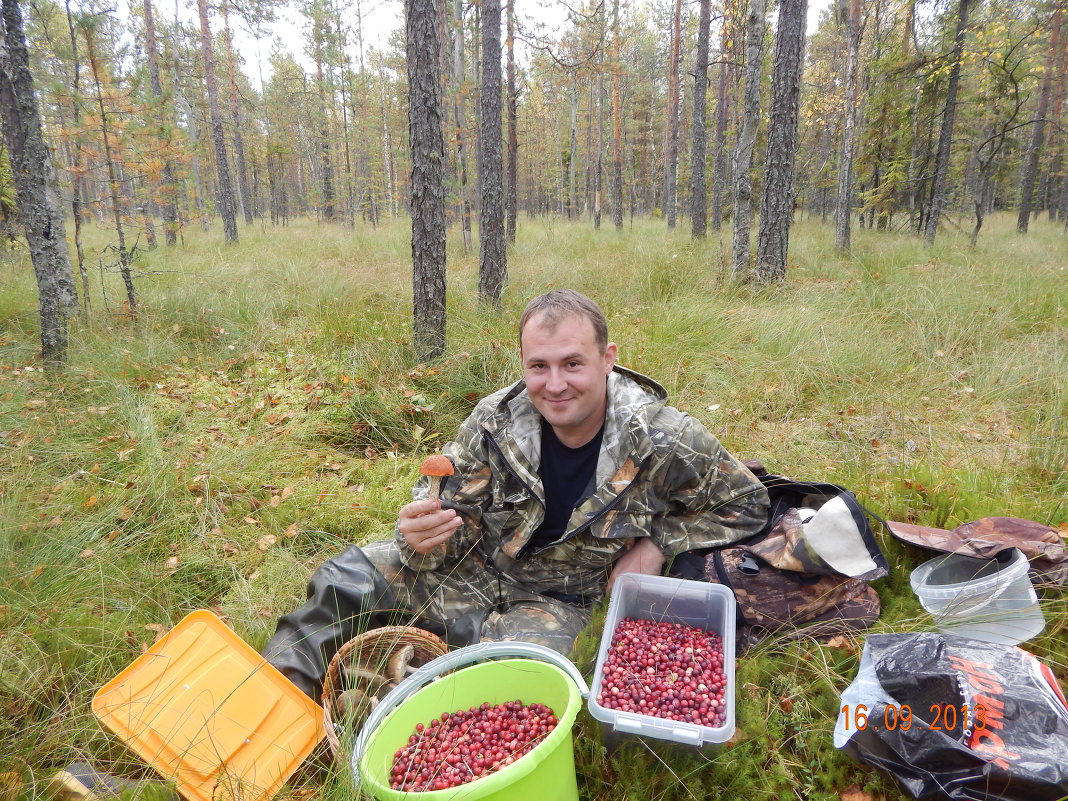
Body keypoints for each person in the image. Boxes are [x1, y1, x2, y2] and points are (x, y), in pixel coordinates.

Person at [264, 289, 770, 699]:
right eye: (538, 367)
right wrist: (418, 529)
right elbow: (441, 490)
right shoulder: (495, 419)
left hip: (557, 600)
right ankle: (270, 710)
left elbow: (746, 504)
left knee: (516, 687)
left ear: (607, 358)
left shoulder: (663, 437)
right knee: (343, 579)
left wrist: (657, 542)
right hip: (470, 569)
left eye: (573, 364)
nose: (555, 385)